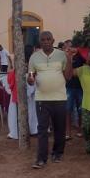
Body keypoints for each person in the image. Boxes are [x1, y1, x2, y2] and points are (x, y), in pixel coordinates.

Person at [27, 31, 73, 168]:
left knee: (59, 128)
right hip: (41, 98)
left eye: (48, 39)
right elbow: (31, 77)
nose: (46, 41)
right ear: (40, 42)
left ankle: (58, 153)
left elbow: (68, 77)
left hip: (59, 98)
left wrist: (69, 60)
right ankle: (41, 158)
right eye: (43, 39)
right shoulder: (34, 57)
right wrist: (30, 80)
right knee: (42, 129)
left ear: (53, 40)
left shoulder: (62, 55)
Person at [63, 40, 84, 141]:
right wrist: (68, 58)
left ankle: (80, 130)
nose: (68, 49)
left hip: (80, 87)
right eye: (66, 48)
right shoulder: (65, 57)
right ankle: (68, 133)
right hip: (69, 87)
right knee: (67, 110)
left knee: (80, 110)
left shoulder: (80, 56)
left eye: (69, 47)